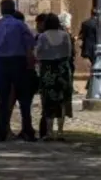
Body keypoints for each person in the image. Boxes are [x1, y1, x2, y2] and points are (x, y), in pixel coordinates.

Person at [0, 0, 36, 142]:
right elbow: (30, 45)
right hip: (19, 62)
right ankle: (27, 130)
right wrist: (29, 63)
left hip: (2, 62)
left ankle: (1, 132)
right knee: (24, 98)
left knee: (3, 98)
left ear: (1, 10)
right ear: (13, 9)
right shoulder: (21, 25)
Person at [35, 12, 73, 140]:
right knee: (62, 100)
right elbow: (68, 52)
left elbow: (38, 53)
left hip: (48, 70)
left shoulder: (43, 36)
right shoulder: (65, 35)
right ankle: (61, 131)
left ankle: (49, 132)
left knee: (48, 101)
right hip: (62, 69)